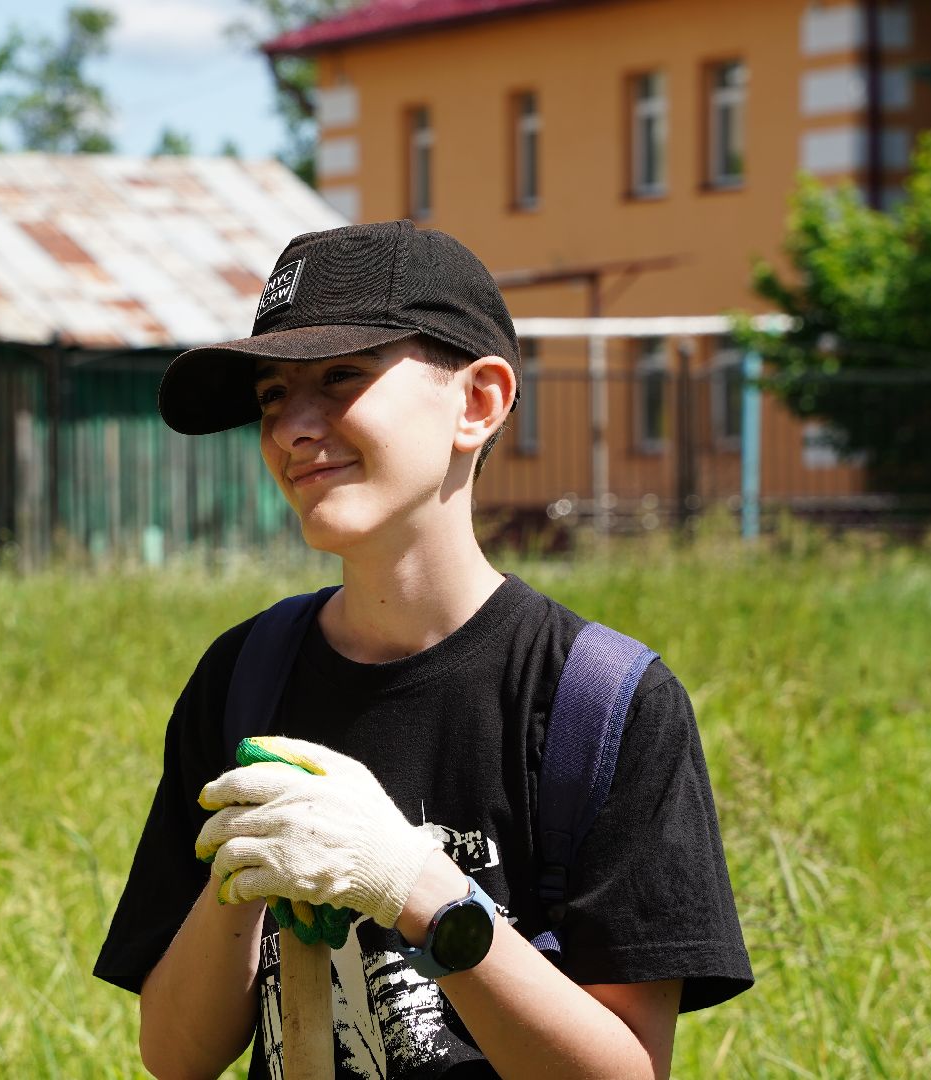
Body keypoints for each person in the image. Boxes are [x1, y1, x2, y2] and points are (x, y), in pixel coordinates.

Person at [92, 220, 752, 1079]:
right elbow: (174, 1057)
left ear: (476, 403)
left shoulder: (604, 701)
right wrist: (243, 883)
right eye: (269, 396)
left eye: (340, 378)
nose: (292, 427)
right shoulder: (242, 677)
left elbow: (626, 1072)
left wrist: (418, 887)